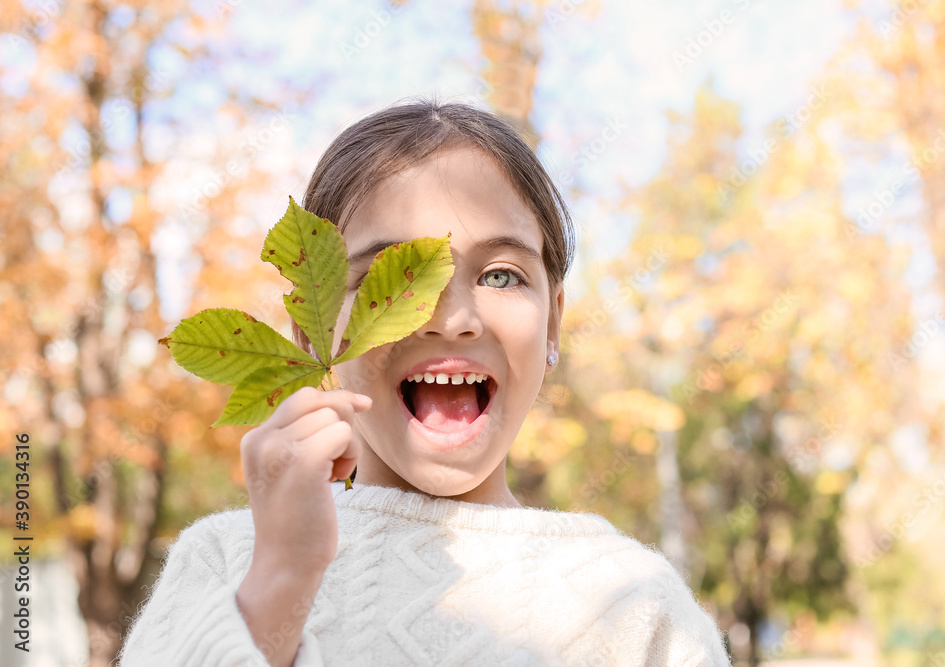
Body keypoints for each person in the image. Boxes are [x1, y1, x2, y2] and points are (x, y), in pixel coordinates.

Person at [118, 99, 731, 666]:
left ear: (554, 322)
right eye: (392, 277)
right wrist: (280, 579)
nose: (453, 319)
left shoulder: (632, 600)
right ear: (311, 331)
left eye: (500, 276)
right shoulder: (228, 560)